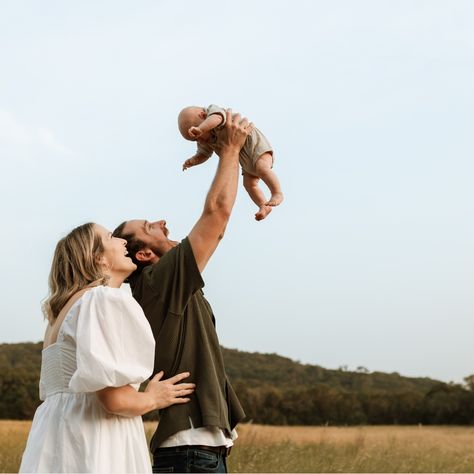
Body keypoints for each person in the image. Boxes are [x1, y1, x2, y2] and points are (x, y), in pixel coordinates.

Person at [112, 110, 251, 473]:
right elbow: (217, 215)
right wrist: (231, 149)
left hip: (195, 455)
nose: (159, 221)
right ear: (144, 254)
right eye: (148, 227)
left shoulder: (163, 286)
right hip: (191, 455)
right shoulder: (157, 281)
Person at [20, 223, 195, 473]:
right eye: (111, 237)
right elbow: (114, 400)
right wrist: (153, 397)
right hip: (95, 440)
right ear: (97, 258)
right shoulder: (100, 299)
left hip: (54, 440)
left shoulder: (58, 316)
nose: (123, 242)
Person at [179, 104, 284, 221]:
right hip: (244, 160)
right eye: (194, 139)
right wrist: (193, 161)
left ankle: (277, 192)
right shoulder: (206, 140)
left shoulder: (213, 113)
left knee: (262, 168)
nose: (198, 139)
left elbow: (217, 118)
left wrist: (201, 129)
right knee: (249, 185)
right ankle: (263, 206)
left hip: (255, 147)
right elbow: (203, 154)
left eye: (196, 134)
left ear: (203, 116)